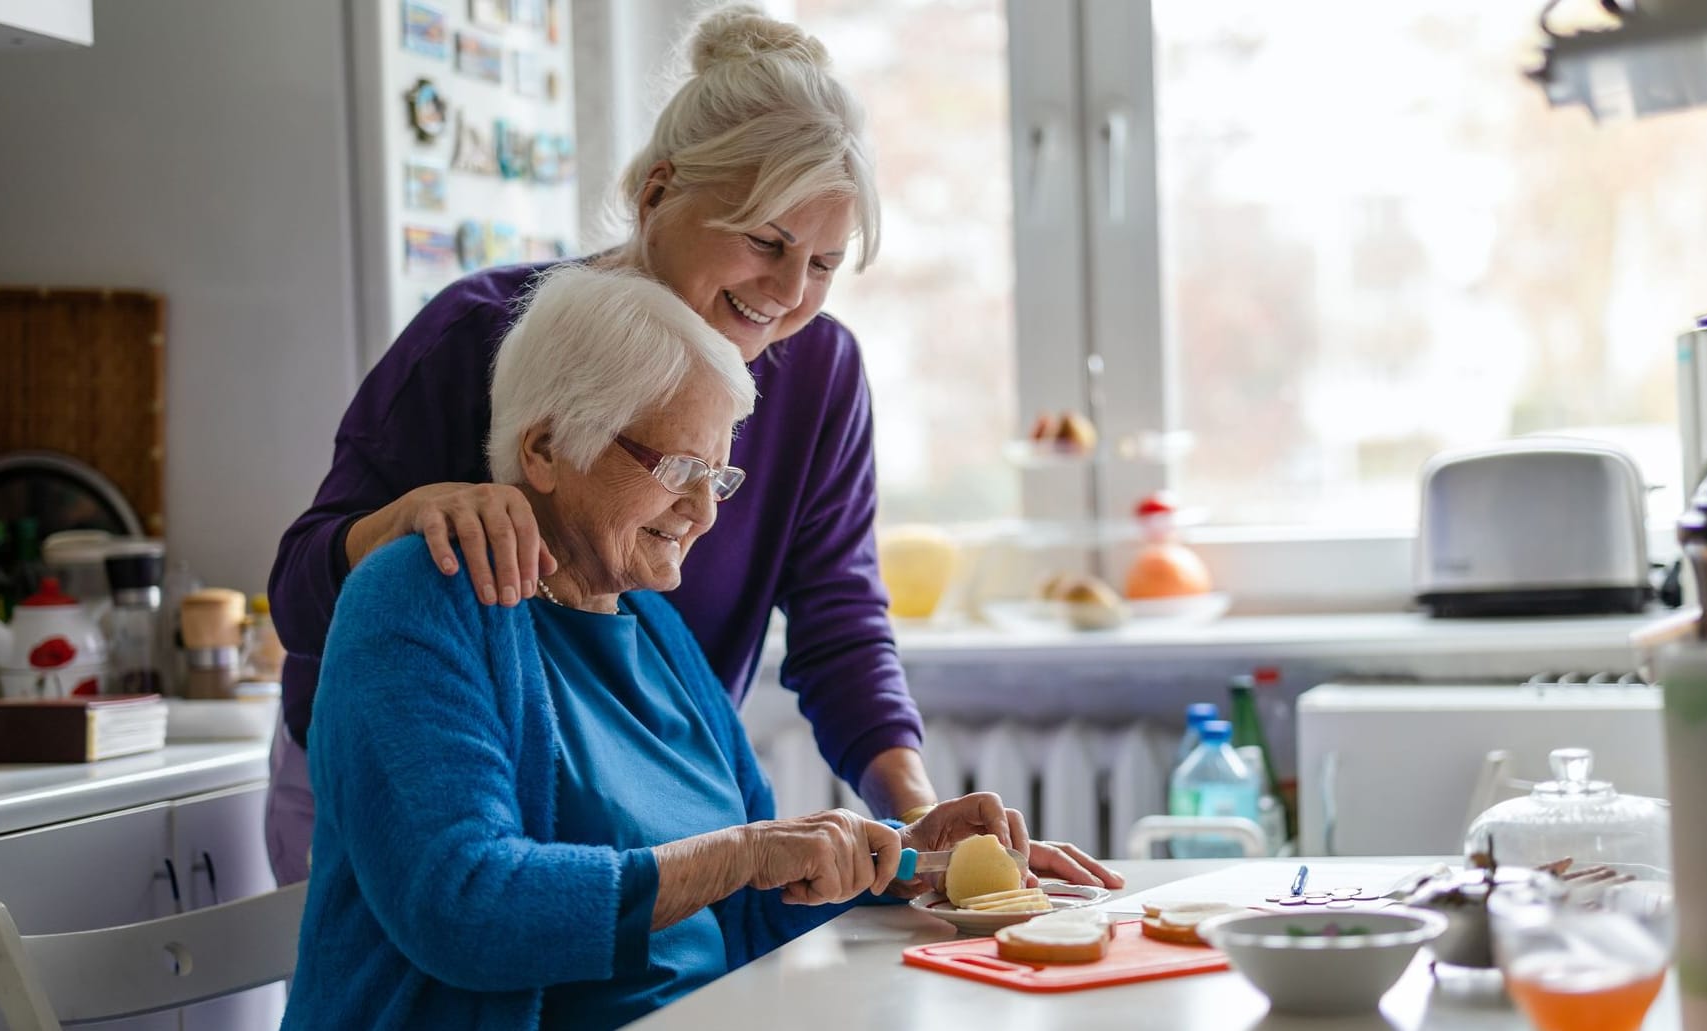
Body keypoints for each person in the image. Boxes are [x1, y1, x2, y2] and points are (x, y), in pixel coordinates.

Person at [264, 5, 1120, 891]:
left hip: (624, 812)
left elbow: (839, 621)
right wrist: (405, 517)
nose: (790, 293)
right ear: (656, 193)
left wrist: (913, 816)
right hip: (407, 798)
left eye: (825, 263)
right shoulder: (479, 335)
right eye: (766, 241)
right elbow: (298, 596)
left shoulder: (818, 373)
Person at [282, 266, 1038, 1031]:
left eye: (718, 474)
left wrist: (901, 863)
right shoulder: (419, 598)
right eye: (678, 468)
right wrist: (744, 851)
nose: (704, 511)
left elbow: (750, 906)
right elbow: (466, 906)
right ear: (544, 447)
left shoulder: (654, 629)